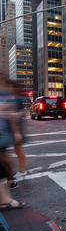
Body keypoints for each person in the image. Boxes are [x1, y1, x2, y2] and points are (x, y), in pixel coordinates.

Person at [0, 76, 25, 210]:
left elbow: (11, 113)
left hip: (3, 132)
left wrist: (16, 130)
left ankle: (10, 182)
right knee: (5, 158)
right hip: (3, 131)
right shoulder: (7, 94)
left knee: (5, 157)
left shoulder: (8, 94)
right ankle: (6, 196)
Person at [10, 81, 27, 179]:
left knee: (18, 150)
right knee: (17, 150)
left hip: (17, 128)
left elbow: (21, 113)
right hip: (15, 128)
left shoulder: (18, 99)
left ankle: (22, 170)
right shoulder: (15, 99)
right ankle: (22, 170)